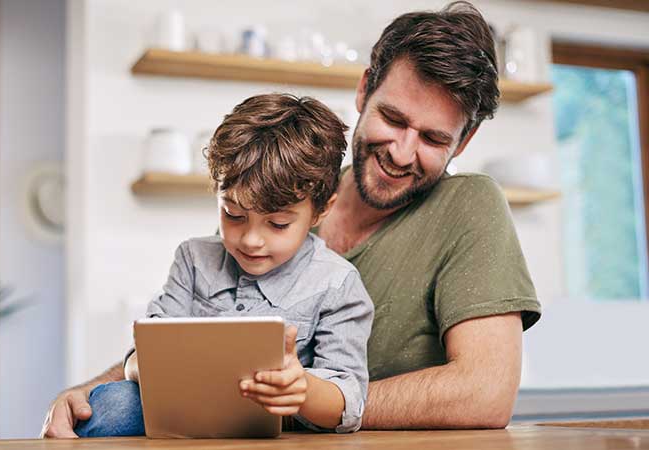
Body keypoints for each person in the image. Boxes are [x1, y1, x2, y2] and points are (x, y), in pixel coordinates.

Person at [41, 1, 541, 437]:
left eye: (433, 139)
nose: (403, 152)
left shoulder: (467, 204)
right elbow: (180, 339)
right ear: (365, 91)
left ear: (464, 143)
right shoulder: (278, 196)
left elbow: (486, 393)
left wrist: (298, 403)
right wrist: (91, 394)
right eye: (393, 118)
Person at [71, 93, 374, 437]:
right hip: (182, 415)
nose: (251, 240)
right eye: (234, 215)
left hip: (280, 430)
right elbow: (143, 350)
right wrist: (145, 366)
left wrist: (302, 388)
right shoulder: (194, 259)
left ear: (321, 210)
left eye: (277, 224)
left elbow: (347, 403)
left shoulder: (337, 283)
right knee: (114, 403)